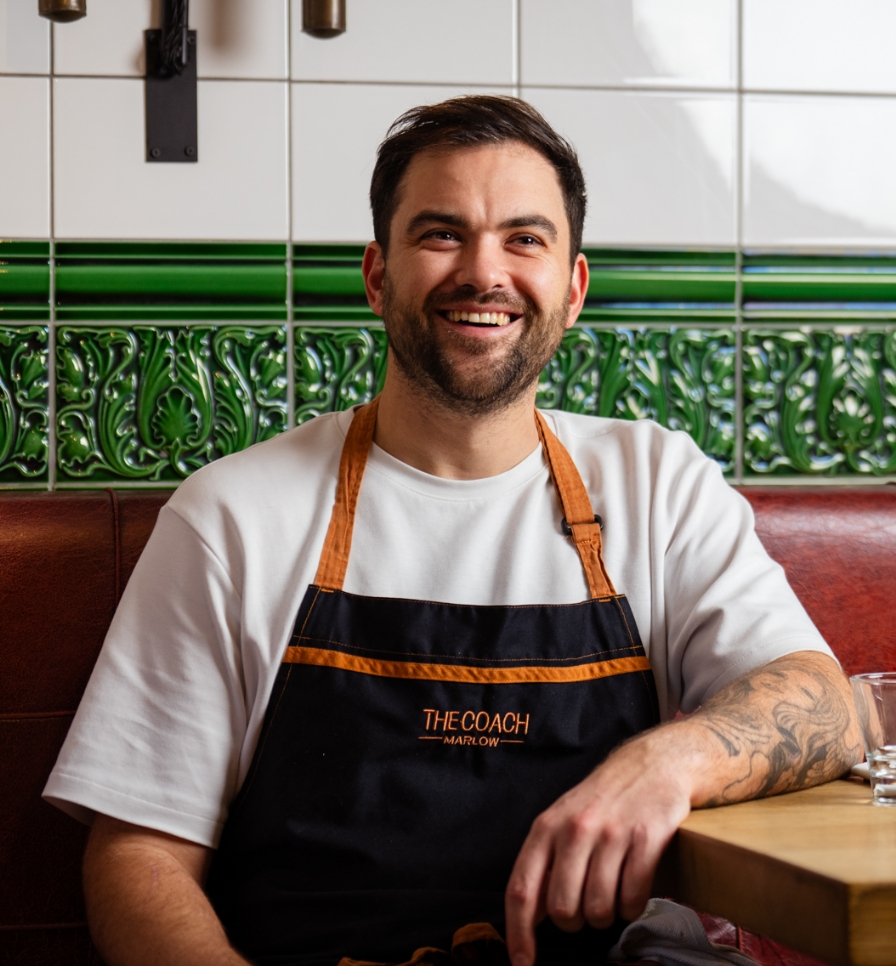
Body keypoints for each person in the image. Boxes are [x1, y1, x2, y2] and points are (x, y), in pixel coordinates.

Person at [44, 96, 861, 966]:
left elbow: (827, 706)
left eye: (524, 238)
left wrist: (668, 762)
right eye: (441, 234)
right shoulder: (234, 517)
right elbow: (138, 857)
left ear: (572, 288)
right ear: (376, 277)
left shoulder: (659, 484)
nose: (484, 271)